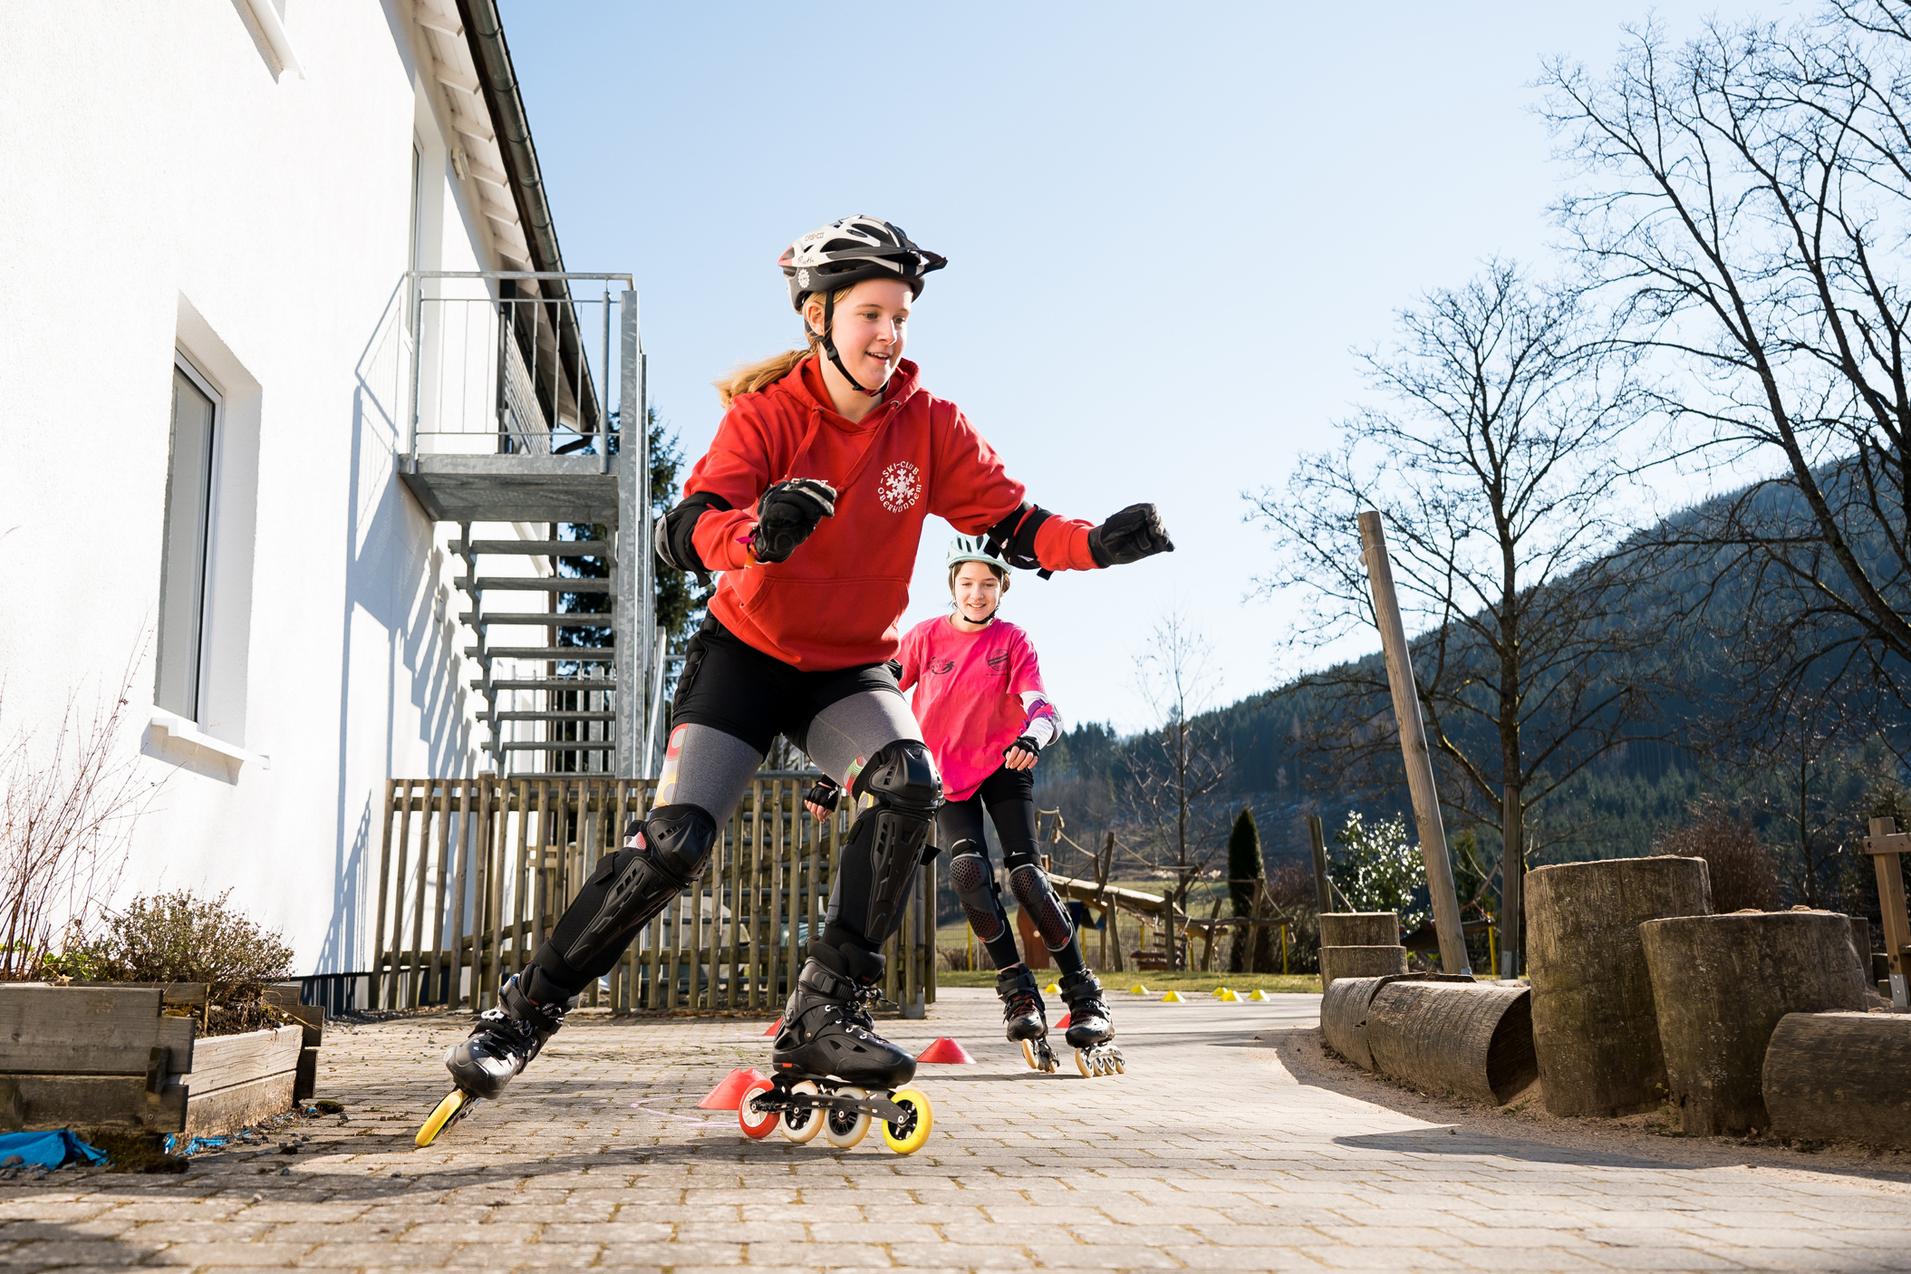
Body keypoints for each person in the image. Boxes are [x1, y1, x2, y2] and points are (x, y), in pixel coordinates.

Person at [437, 215, 1173, 1137]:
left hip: (845, 667)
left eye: (900, 316)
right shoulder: (768, 416)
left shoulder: (929, 424)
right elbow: (685, 530)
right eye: (872, 314)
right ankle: (520, 1017)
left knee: (910, 785)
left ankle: (824, 1013)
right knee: (674, 842)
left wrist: (1095, 547)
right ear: (818, 316)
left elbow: (1014, 523)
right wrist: (757, 532)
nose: (890, 335)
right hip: (745, 657)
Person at [809, 537, 1120, 1074]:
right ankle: (1018, 994)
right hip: (946, 778)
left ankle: (1085, 996)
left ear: (1003, 588)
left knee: (1026, 879)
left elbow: (1041, 706)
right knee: (969, 872)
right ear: (952, 585)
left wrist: (1032, 739)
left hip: (1004, 767)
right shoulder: (924, 639)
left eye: (988, 584)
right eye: (967, 583)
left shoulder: (1013, 640)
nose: (977, 593)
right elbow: (874, 703)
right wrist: (834, 773)